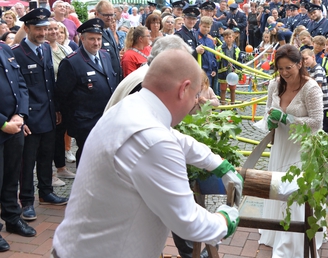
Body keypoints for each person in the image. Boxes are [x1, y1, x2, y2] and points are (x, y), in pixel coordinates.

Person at [52, 48, 242, 258]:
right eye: (196, 95)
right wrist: (225, 219)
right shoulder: (153, 139)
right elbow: (188, 221)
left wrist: (216, 163)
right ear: (183, 89)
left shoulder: (132, 107)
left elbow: (175, 138)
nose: (195, 102)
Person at [259, 44, 324, 258]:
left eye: (289, 68)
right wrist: (271, 119)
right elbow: (268, 110)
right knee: (277, 184)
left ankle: (293, 241)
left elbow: (316, 123)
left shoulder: (311, 88)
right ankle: (275, 230)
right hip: (282, 143)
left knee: (294, 188)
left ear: (300, 64)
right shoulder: (274, 84)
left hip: (303, 145)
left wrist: (289, 119)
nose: (285, 73)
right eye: (280, 68)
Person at [12, 8, 69, 224]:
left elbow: (49, 84)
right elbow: (16, 89)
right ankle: (26, 200)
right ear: (26, 28)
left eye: (45, 28)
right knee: (27, 162)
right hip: (29, 118)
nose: (43, 33)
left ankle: (45, 192)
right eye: (38, 29)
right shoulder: (16, 53)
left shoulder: (45, 50)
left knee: (46, 156)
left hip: (47, 114)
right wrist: (21, 117)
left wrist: (56, 109)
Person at [56, 18, 118, 167]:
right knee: (86, 159)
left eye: (98, 39)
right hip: (85, 121)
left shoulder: (105, 56)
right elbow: (62, 95)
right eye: (92, 39)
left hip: (105, 117)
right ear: (82, 39)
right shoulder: (72, 62)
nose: (96, 43)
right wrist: (73, 120)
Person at [0, 40, 31, 252]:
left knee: (12, 177)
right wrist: (3, 124)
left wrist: (20, 115)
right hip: (3, 126)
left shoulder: (5, 48)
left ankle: (12, 217)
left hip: (15, 126)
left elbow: (20, 84)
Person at [45, 20, 76, 183]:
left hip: (64, 98)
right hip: (49, 99)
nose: (53, 32)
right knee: (50, 138)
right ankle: (49, 174)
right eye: (49, 29)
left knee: (60, 134)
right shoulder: (43, 49)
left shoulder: (65, 48)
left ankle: (61, 167)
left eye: (56, 28)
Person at [302, 49, 328, 130]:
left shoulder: (318, 69)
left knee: (320, 125)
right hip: (315, 101)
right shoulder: (308, 70)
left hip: (321, 102)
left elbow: (318, 86)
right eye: (303, 59)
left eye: (306, 58)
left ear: (313, 57)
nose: (305, 61)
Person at [95, 0, 123, 82]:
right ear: (97, 14)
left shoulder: (108, 31)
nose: (110, 18)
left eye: (112, 14)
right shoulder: (92, 33)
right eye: (106, 15)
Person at [217, 29, 242, 104]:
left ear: (233, 38)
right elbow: (218, 61)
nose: (228, 39)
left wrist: (238, 70)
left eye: (230, 37)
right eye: (226, 37)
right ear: (224, 38)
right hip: (223, 72)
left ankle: (233, 106)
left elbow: (239, 60)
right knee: (223, 90)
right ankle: (223, 107)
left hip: (233, 72)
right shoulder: (220, 49)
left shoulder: (236, 49)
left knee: (233, 89)